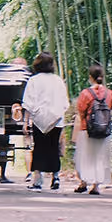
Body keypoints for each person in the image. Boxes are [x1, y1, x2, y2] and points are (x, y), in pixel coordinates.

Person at [21, 52, 69, 191]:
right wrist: (59, 115)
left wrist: (26, 121)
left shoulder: (34, 80)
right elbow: (64, 102)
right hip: (56, 119)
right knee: (54, 148)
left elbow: (28, 103)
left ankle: (38, 180)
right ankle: (56, 177)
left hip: (39, 119)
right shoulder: (58, 80)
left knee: (39, 148)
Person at [73, 63, 112, 194]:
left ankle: (83, 182)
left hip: (87, 129)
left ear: (90, 77)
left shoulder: (86, 93)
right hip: (104, 130)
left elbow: (81, 111)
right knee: (100, 157)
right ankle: (96, 186)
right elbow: (111, 108)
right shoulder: (110, 93)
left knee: (85, 156)